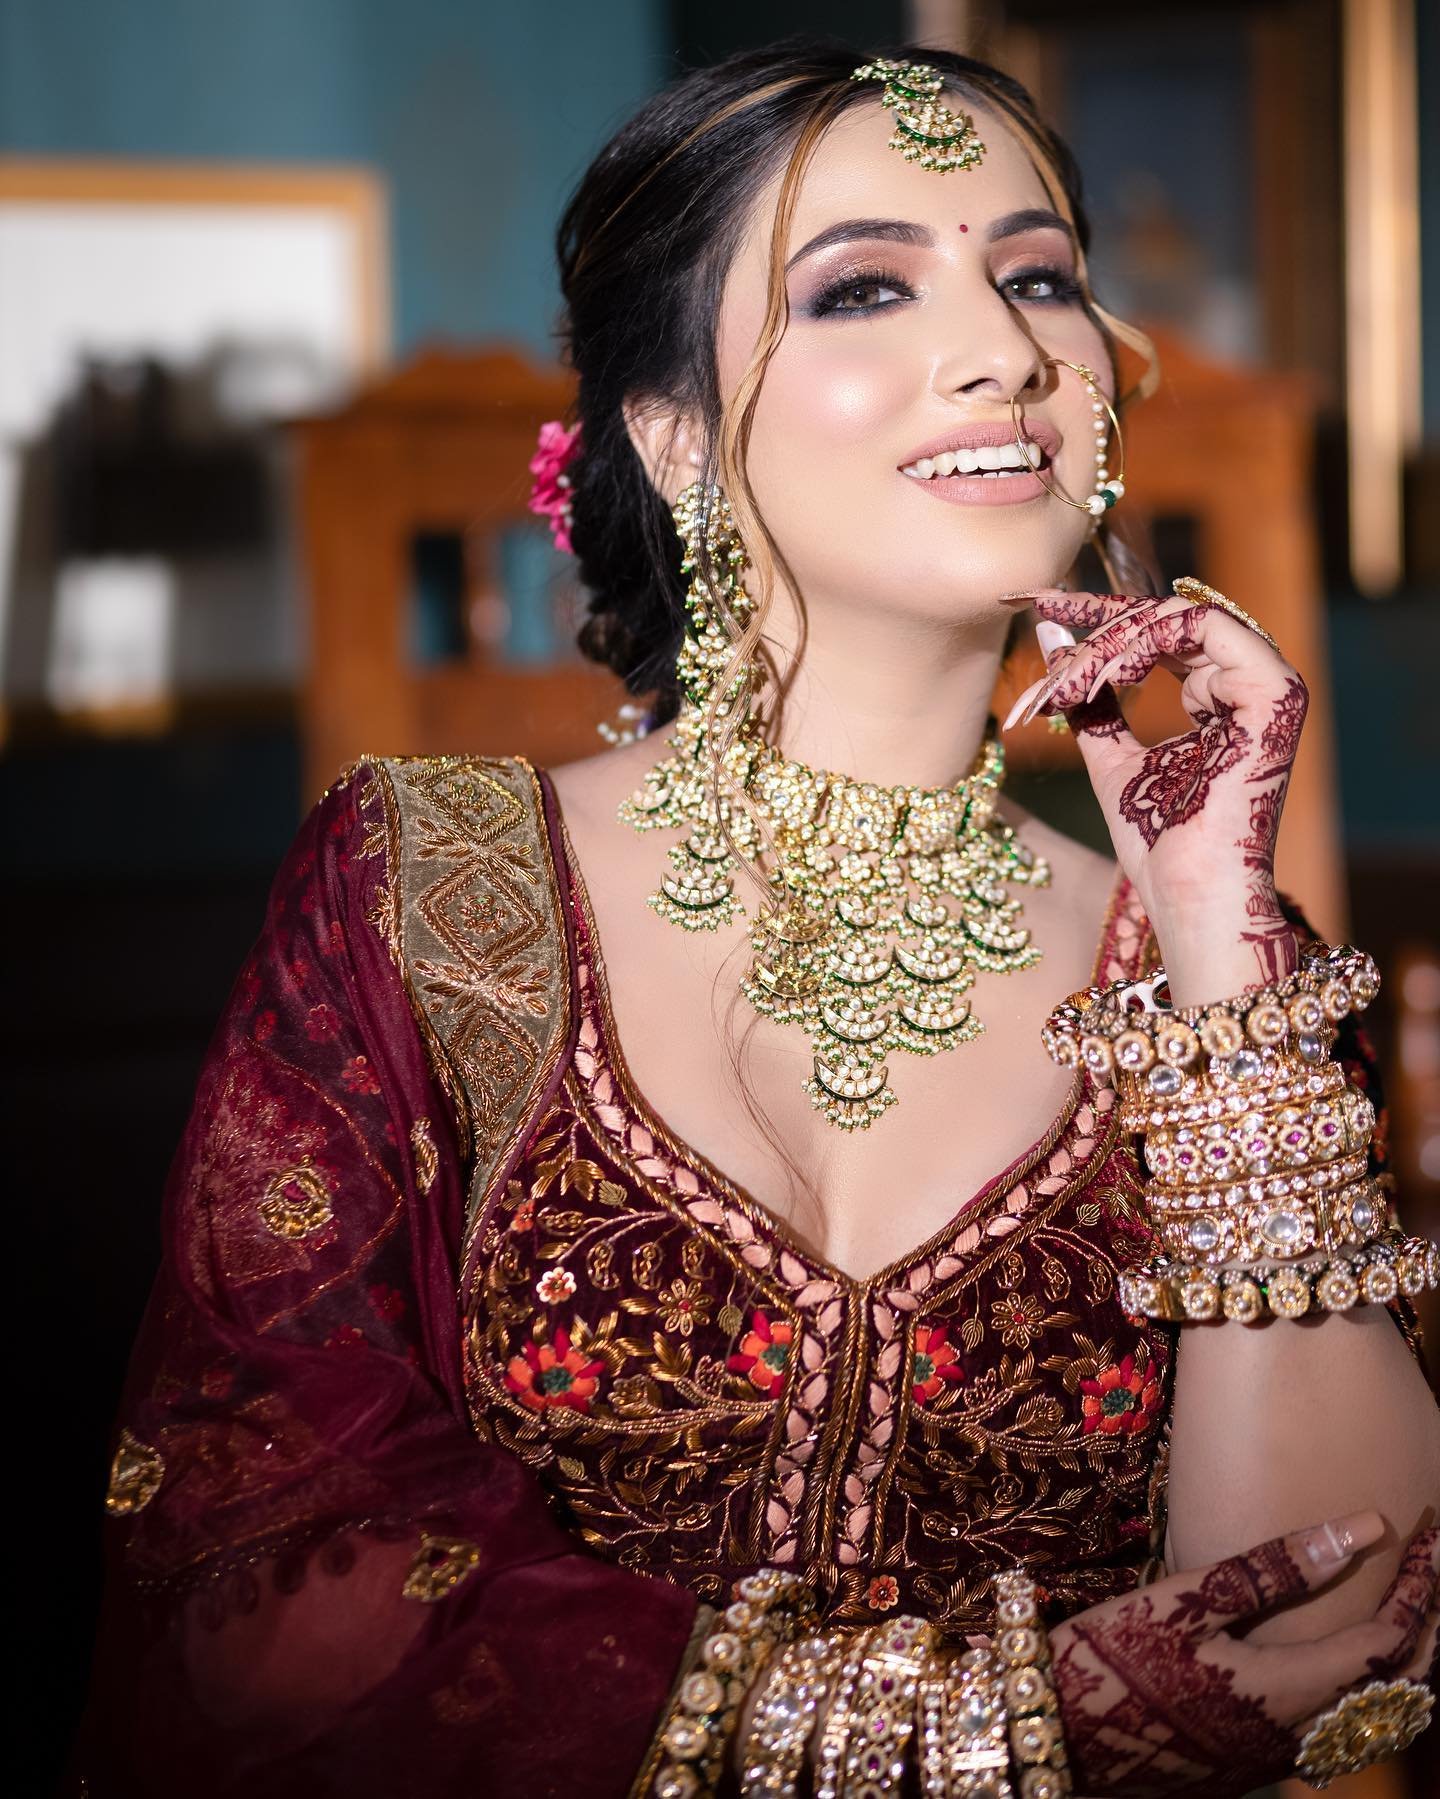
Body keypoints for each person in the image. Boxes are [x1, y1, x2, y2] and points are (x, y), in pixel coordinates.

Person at [75, 40, 1439, 1799]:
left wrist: (1217, 941)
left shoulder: (1214, 983)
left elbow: (1341, 1637)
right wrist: (955, 1734)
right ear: (673, 438)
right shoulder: (427, 897)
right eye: (864, 288)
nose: (1007, 349)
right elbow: (262, 1576)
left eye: (1039, 278)